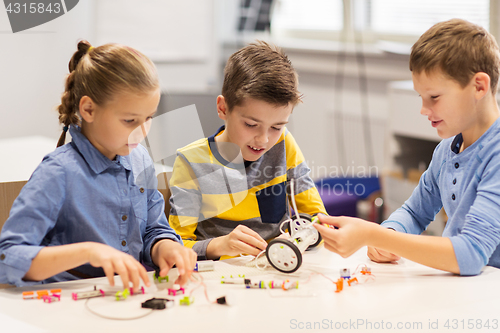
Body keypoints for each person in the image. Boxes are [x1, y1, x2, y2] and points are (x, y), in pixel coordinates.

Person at [0, 40, 196, 288]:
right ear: (89, 109)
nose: (142, 132)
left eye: (148, 118)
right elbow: (6, 259)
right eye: (129, 120)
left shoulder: (140, 160)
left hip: (124, 300)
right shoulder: (58, 172)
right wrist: (88, 252)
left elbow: (153, 229)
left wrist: (165, 247)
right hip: (66, 307)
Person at [314, 19, 500, 276]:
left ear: (479, 86)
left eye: (434, 97)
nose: (424, 110)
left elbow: (470, 255)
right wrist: (389, 234)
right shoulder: (446, 151)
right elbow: (414, 212)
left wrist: (374, 234)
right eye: (421, 97)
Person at [169, 41, 326, 260]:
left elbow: (318, 219)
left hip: (275, 270)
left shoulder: (284, 144)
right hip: (219, 277)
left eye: (277, 127)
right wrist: (219, 245)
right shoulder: (191, 161)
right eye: (251, 125)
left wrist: (298, 238)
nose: (263, 139)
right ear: (223, 108)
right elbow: (175, 247)